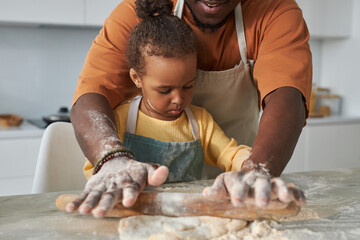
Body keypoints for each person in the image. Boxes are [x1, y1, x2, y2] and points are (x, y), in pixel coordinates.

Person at [68, 0, 310, 218]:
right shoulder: (141, 8)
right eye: (165, 90)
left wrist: (257, 170)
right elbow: (92, 94)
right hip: (135, 206)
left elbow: (287, 95)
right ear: (137, 78)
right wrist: (113, 162)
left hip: (236, 194)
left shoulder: (275, 10)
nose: (177, 99)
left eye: (188, 85)